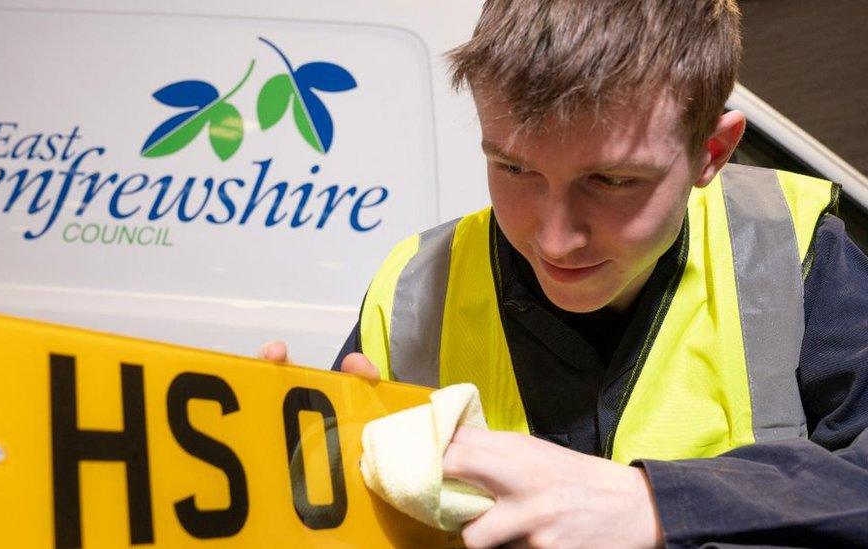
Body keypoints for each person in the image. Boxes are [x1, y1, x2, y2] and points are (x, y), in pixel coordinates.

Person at [263, 0, 868, 546]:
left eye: (611, 180)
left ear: (711, 152)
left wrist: (656, 506)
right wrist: (293, 475)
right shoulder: (414, 287)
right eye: (513, 169)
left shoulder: (792, 251)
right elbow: (326, 506)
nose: (555, 239)